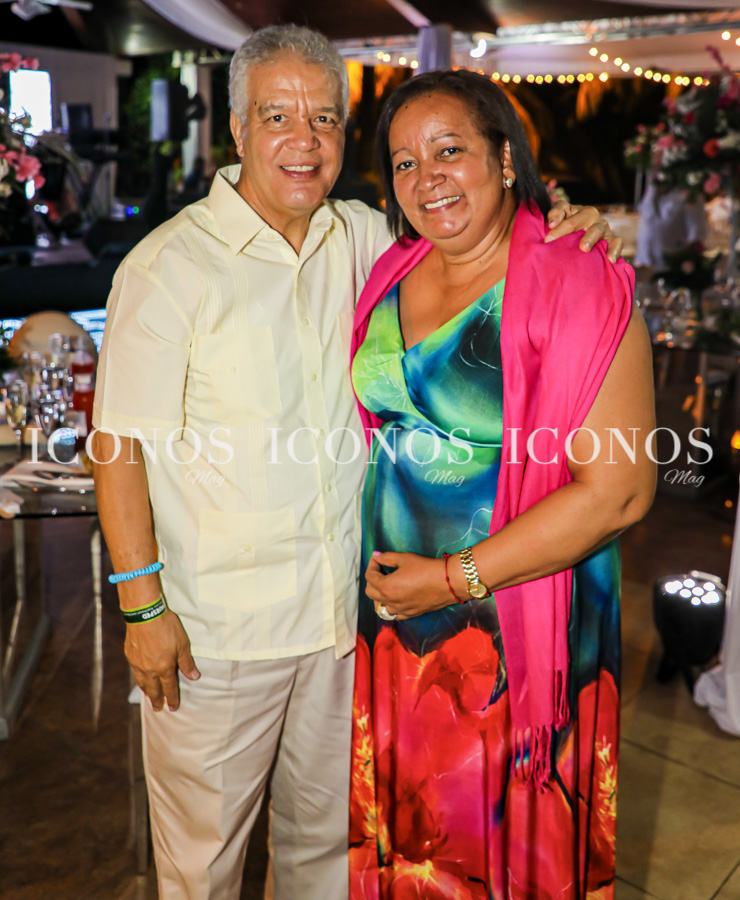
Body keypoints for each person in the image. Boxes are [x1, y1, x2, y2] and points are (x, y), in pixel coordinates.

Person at [91, 25, 624, 900]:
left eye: (326, 119)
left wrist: (565, 222)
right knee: (202, 866)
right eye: (277, 116)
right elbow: (118, 443)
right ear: (237, 130)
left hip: (349, 626)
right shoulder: (168, 267)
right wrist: (141, 601)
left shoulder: (370, 241)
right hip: (216, 635)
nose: (303, 139)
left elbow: (483, 247)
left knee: (327, 859)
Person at [348, 70, 656, 898]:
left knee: (505, 857)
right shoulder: (392, 270)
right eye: (404, 163)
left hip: (515, 637)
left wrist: (451, 580)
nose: (427, 177)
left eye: (450, 150)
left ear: (508, 160)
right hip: (399, 639)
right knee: (419, 857)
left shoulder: (578, 276)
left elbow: (620, 492)